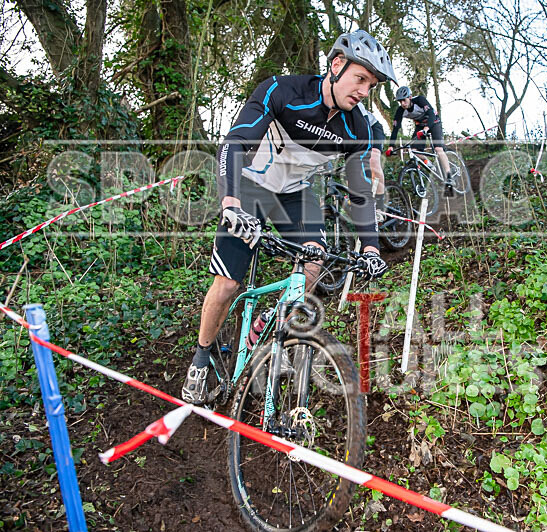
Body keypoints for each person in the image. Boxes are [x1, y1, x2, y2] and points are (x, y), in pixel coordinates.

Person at [182, 30, 396, 405]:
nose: (365, 91)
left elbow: (361, 189)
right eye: (360, 79)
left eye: (372, 85)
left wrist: (371, 247)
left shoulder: (357, 126)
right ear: (336, 65)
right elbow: (235, 143)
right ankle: (201, 356)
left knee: (316, 258)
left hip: (295, 195)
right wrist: (230, 202)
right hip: (249, 187)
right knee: (228, 285)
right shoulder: (283, 91)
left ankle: (273, 322)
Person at [384, 86, 454, 194]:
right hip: (420, 126)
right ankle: (431, 166)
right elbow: (395, 129)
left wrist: (426, 129)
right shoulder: (400, 111)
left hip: (434, 122)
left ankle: (449, 176)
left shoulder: (420, 100)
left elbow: (431, 114)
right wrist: (391, 146)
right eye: (400, 101)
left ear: (410, 97)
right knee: (415, 151)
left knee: (438, 149)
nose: (402, 103)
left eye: (404, 100)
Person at [356, 103, 387, 222]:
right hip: (356, 136)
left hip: (372, 128)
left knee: (373, 160)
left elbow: (365, 126)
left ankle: (380, 207)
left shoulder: (354, 102)